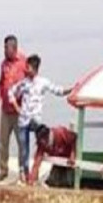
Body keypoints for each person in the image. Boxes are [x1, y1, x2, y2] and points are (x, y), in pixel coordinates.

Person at [8, 54, 72, 183]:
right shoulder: (24, 83)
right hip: (24, 119)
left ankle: (37, 169)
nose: (26, 69)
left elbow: (57, 90)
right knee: (23, 147)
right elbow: (11, 92)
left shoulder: (43, 82)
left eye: (29, 67)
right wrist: (16, 106)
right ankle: (24, 172)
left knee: (42, 142)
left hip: (35, 119)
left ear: (35, 69)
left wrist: (70, 90)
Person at [0, 35, 27, 181]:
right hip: (5, 110)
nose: (4, 50)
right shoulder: (4, 64)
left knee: (22, 142)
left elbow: (31, 82)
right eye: (3, 47)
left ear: (13, 48)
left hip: (19, 110)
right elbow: (1, 81)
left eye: (6, 48)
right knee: (3, 142)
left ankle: (23, 170)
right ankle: (3, 169)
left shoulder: (23, 62)